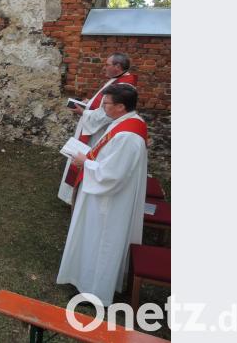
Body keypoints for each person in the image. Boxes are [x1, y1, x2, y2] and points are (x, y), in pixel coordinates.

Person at [56, 84, 148, 306]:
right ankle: (84, 280)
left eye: (105, 104)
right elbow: (108, 158)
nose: (102, 107)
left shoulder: (128, 136)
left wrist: (84, 162)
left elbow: (112, 175)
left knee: (101, 244)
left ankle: (95, 292)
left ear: (120, 106)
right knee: (91, 240)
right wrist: (89, 157)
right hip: (103, 196)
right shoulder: (125, 123)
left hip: (109, 201)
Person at [57, 52, 138, 204]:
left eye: (107, 64)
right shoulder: (117, 80)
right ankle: (73, 195)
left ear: (117, 67)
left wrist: (84, 112)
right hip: (93, 125)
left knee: (86, 159)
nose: (104, 67)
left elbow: (107, 114)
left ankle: (78, 196)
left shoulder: (123, 85)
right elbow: (102, 104)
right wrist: (89, 103)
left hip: (97, 131)